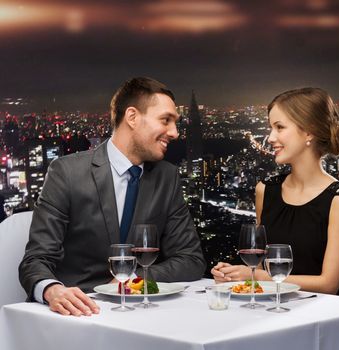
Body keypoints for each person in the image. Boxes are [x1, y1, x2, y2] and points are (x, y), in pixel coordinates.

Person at [19, 77, 206, 316]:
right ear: (132, 117)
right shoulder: (67, 173)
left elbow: (190, 260)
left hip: (144, 313)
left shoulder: (167, 177)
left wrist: (133, 280)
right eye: (166, 120)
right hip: (79, 313)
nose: (175, 133)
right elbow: (35, 260)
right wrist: (52, 290)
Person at [212, 87, 339, 296]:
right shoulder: (265, 190)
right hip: (272, 305)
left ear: (309, 131)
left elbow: (329, 284)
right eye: (271, 128)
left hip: (324, 313)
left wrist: (258, 277)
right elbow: (260, 264)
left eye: (279, 127)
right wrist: (235, 274)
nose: (270, 138)